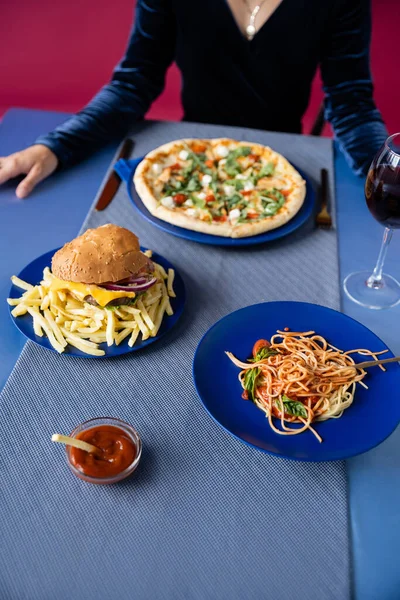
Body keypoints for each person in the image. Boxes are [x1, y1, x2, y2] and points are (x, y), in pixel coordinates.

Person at [0, 0, 387, 198]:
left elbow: (351, 101)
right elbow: (133, 81)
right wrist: (55, 147)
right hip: (188, 160)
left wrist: (385, 177)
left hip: (285, 159)